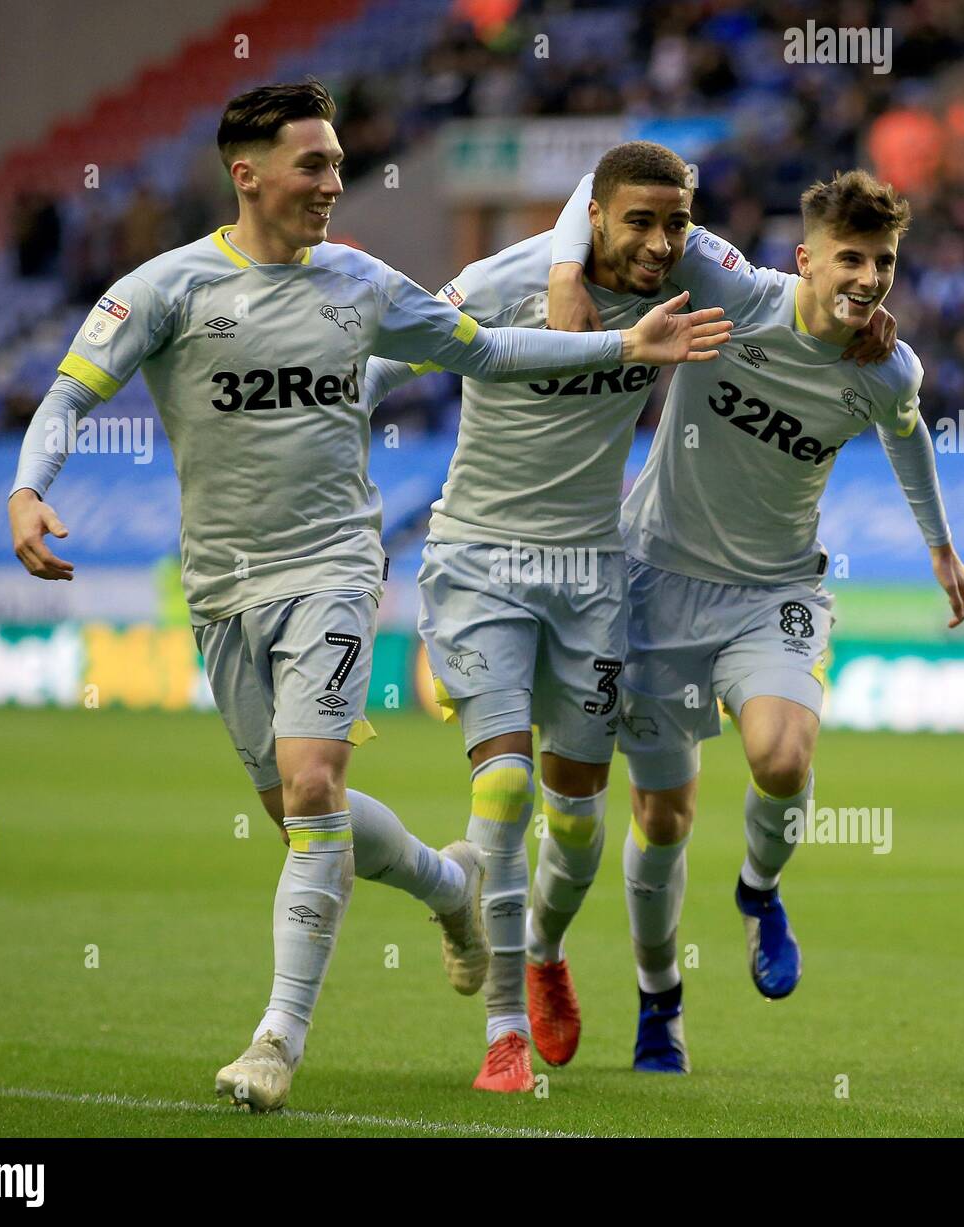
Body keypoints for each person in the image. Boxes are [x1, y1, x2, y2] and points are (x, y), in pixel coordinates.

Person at [6, 81, 730, 1112]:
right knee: (305, 813)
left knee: (313, 789)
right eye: (314, 165)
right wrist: (31, 488)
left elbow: (483, 350)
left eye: (340, 163)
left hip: (337, 569)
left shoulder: (362, 283)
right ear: (245, 173)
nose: (334, 184)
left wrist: (620, 344)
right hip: (220, 588)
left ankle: (274, 1044)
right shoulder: (161, 289)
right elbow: (71, 390)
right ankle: (453, 890)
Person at [364, 142, 889, 1090]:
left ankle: (542, 946)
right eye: (636, 222)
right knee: (508, 787)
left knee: (576, 826)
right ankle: (505, 1029)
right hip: (481, 560)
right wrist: (335, 463)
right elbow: (393, 355)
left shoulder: (687, 284)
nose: (658, 243)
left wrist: (861, 313)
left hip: (596, 575)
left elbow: (796, 298)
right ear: (595, 215)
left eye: (674, 224)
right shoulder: (510, 275)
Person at [549, 167, 964, 1072]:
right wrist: (559, 275)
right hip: (654, 583)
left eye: (884, 262)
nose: (867, 279)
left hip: (774, 591)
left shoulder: (885, 364)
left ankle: (758, 890)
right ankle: (659, 1001)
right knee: (662, 818)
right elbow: (602, 179)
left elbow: (907, 428)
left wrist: (939, 545)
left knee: (782, 757)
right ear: (805, 258)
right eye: (850, 259)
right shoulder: (728, 288)